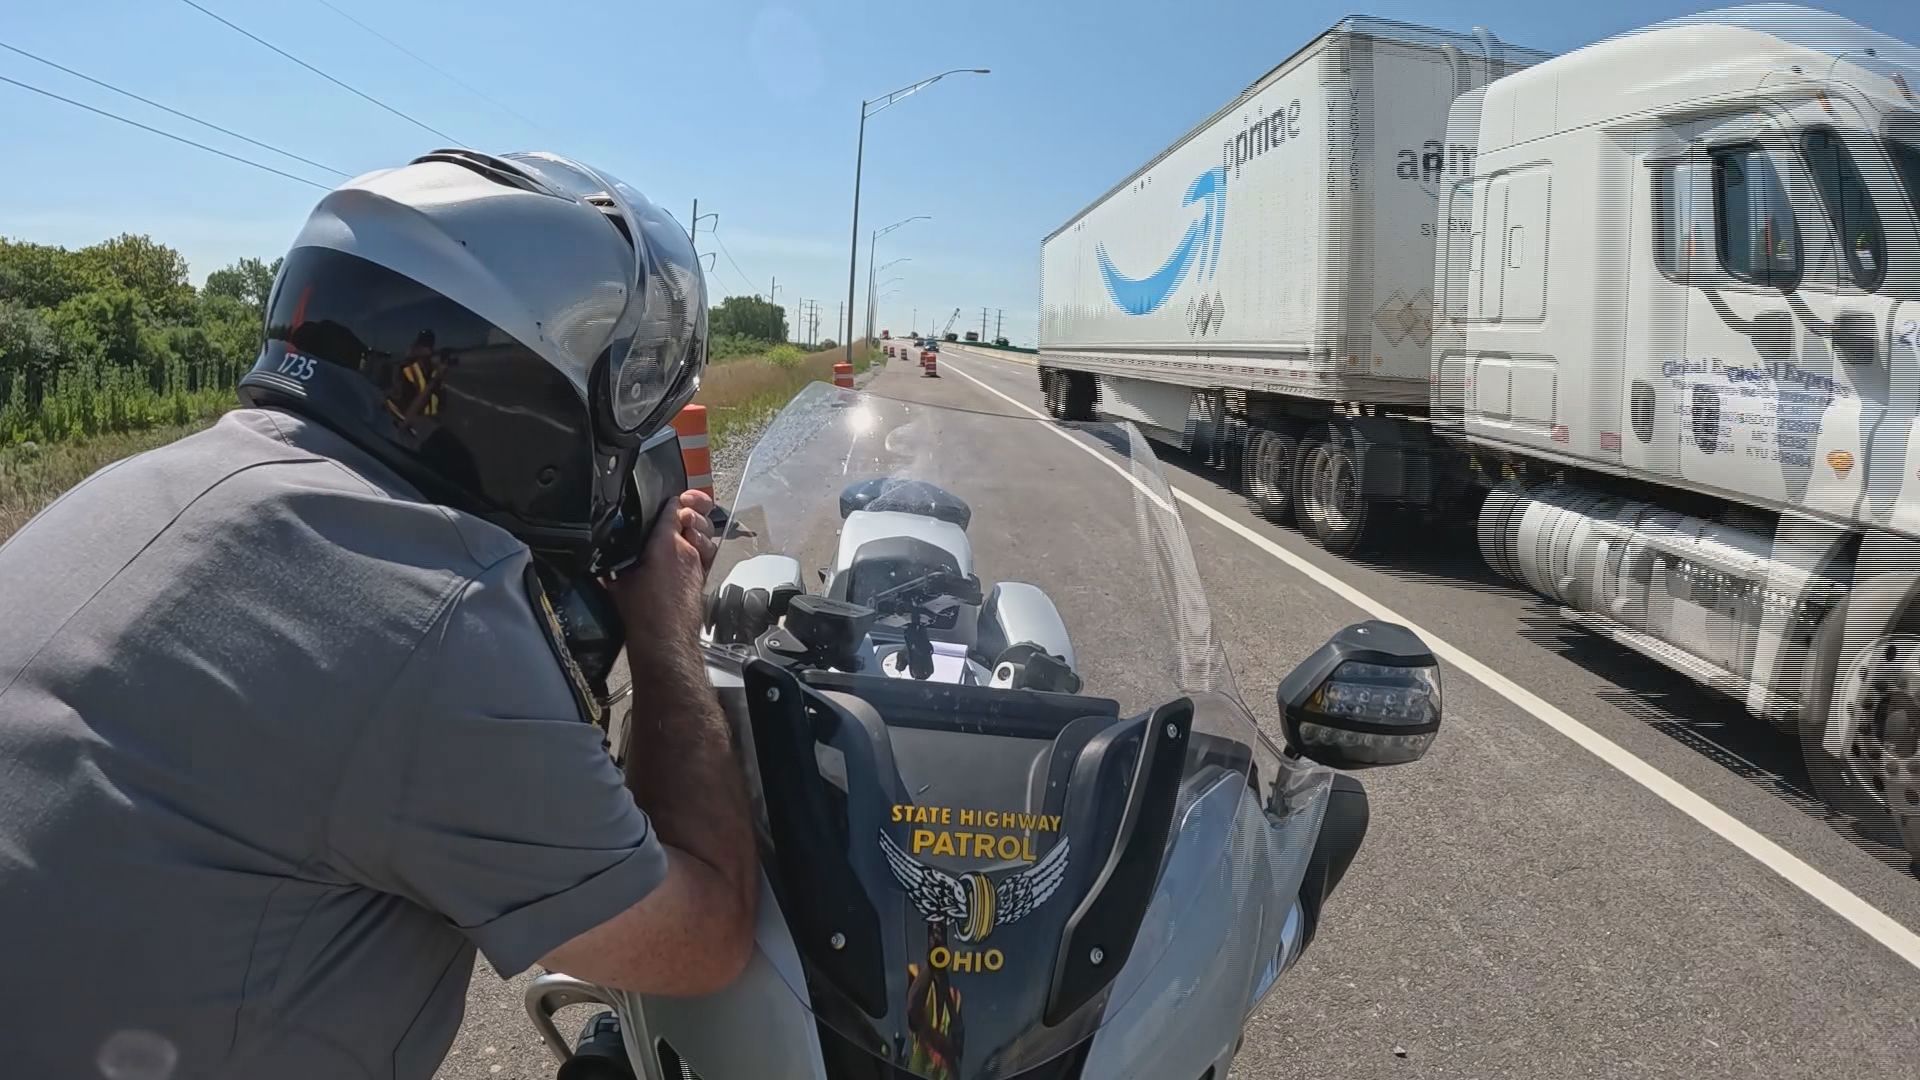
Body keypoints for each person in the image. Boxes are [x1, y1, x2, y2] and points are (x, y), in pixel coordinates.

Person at [0, 150, 757, 1079]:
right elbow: (701, 938)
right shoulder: (441, 614)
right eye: (626, 388)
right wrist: (666, 629)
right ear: (524, 390)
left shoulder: (132, 488)